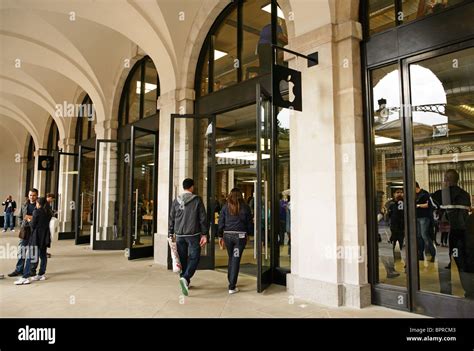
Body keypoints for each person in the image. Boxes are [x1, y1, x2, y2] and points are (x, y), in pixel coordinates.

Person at [431, 169, 473, 299]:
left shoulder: (438, 195)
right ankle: (470, 291)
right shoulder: (466, 195)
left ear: (445, 180)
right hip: (463, 233)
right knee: (463, 262)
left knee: (444, 263)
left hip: (446, 234)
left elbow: (434, 208)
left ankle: (445, 292)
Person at [168, 178, 208, 296]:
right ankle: (185, 278)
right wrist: (204, 234)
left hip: (179, 234)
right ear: (192, 187)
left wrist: (170, 233)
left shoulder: (176, 201)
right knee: (194, 257)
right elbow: (203, 218)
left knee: (182, 258)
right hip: (193, 234)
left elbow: (172, 218)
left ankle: (184, 280)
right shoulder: (197, 200)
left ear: (183, 187)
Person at [217, 188, 253, 294]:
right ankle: (232, 286)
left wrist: (220, 236)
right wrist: (249, 234)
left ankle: (231, 281)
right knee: (235, 259)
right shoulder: (245, 207)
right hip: (239, 237)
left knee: (231, 258)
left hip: (228, 236)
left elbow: (221, 223)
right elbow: (249, 223)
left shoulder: (225, 207)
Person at [14, 197, 52, 285]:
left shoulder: (37, 211)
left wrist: (28, 219)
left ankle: (25, 277)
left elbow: (33, 225)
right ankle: (41, 274)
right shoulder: (49, 212)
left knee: (30, 256)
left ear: (38, 204)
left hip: (37, 236)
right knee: (43, 255)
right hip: (45, 236)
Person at [7, 189, 38, 278]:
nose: (32, 197)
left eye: (34, 195)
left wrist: (32, 218)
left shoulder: (40, 205)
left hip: (34, 231)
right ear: (28, 196)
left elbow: (43, 216)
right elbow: (20, 217)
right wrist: (22, 224)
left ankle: (32, 270)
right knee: (21, 250)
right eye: (31, 195)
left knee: (33, 251)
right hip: (25, 230)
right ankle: (19, 269)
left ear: (37, 196)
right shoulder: (24, 205)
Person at [416, 182, 436, 262]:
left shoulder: (424, 194)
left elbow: (428, 205)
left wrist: (418, 205)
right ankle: (420, 254)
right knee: (419, 236)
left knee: (424, 235)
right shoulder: (414, 195)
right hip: (417, 217)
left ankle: (432, 253)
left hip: (424, 217)